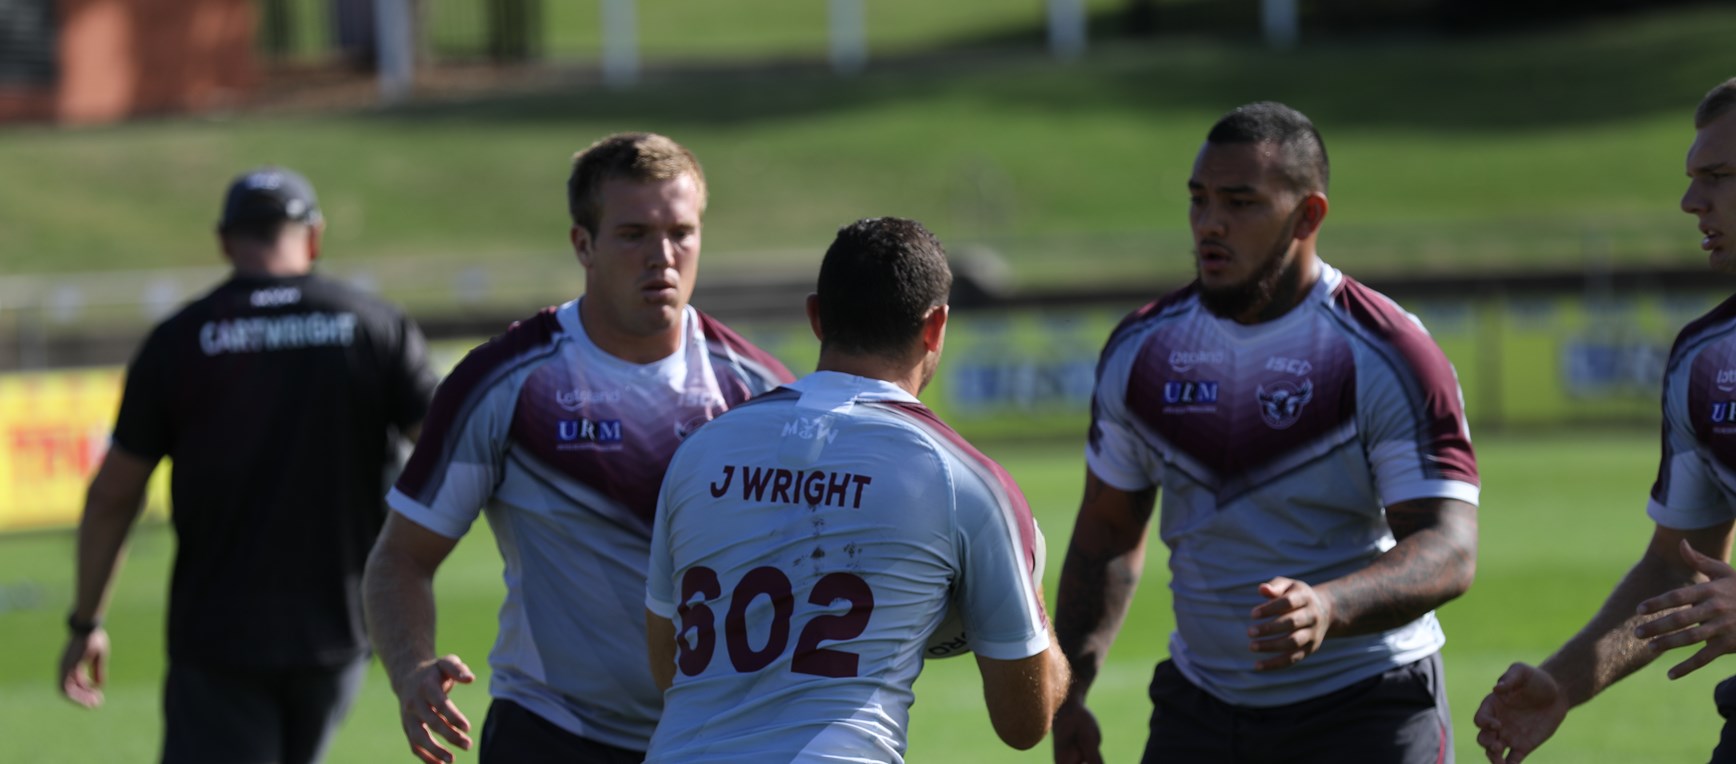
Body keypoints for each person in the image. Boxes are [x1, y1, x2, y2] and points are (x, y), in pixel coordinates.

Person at [1050, 101, 1481, 764]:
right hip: (1201, 710)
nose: (1209, 224)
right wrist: (1069, 694)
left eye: (1241, 203)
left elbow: (1449, 548)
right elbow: (1107, 533)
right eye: (1199, 200)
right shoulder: (1143, 350)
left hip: (1367, 706)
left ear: (1307, 216)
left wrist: (1329, 606)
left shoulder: (1388, 352)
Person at [362, 132, 794, 764]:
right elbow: (400, 558)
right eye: (633, 234)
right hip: (551, 733)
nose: (662, 256)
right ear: (583, 244)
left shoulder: (762, 392)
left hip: (717, 737)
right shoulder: (504, 381)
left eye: (681, 233)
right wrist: (411, 671)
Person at [642, 216, 1070, 761]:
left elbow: (669, 666)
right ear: (936, 326)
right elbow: (1024, 722)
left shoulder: (700, 451)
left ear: (816, 317)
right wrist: (1029, 588)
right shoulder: (962, 477)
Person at [56, 165, 438, 764]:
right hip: (340, 628)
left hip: (220, 636)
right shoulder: (376, 325)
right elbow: (449, 453)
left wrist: (86, 622)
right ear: (314, 235)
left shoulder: (179, 339)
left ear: (225, 241)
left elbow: (113, 494)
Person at [1473, 76, 1736, 764]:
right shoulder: (1704, 360)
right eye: (1691, 179)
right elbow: (1676, 565)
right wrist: (1563, 683)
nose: (1690, 202)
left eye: (1716, 176)